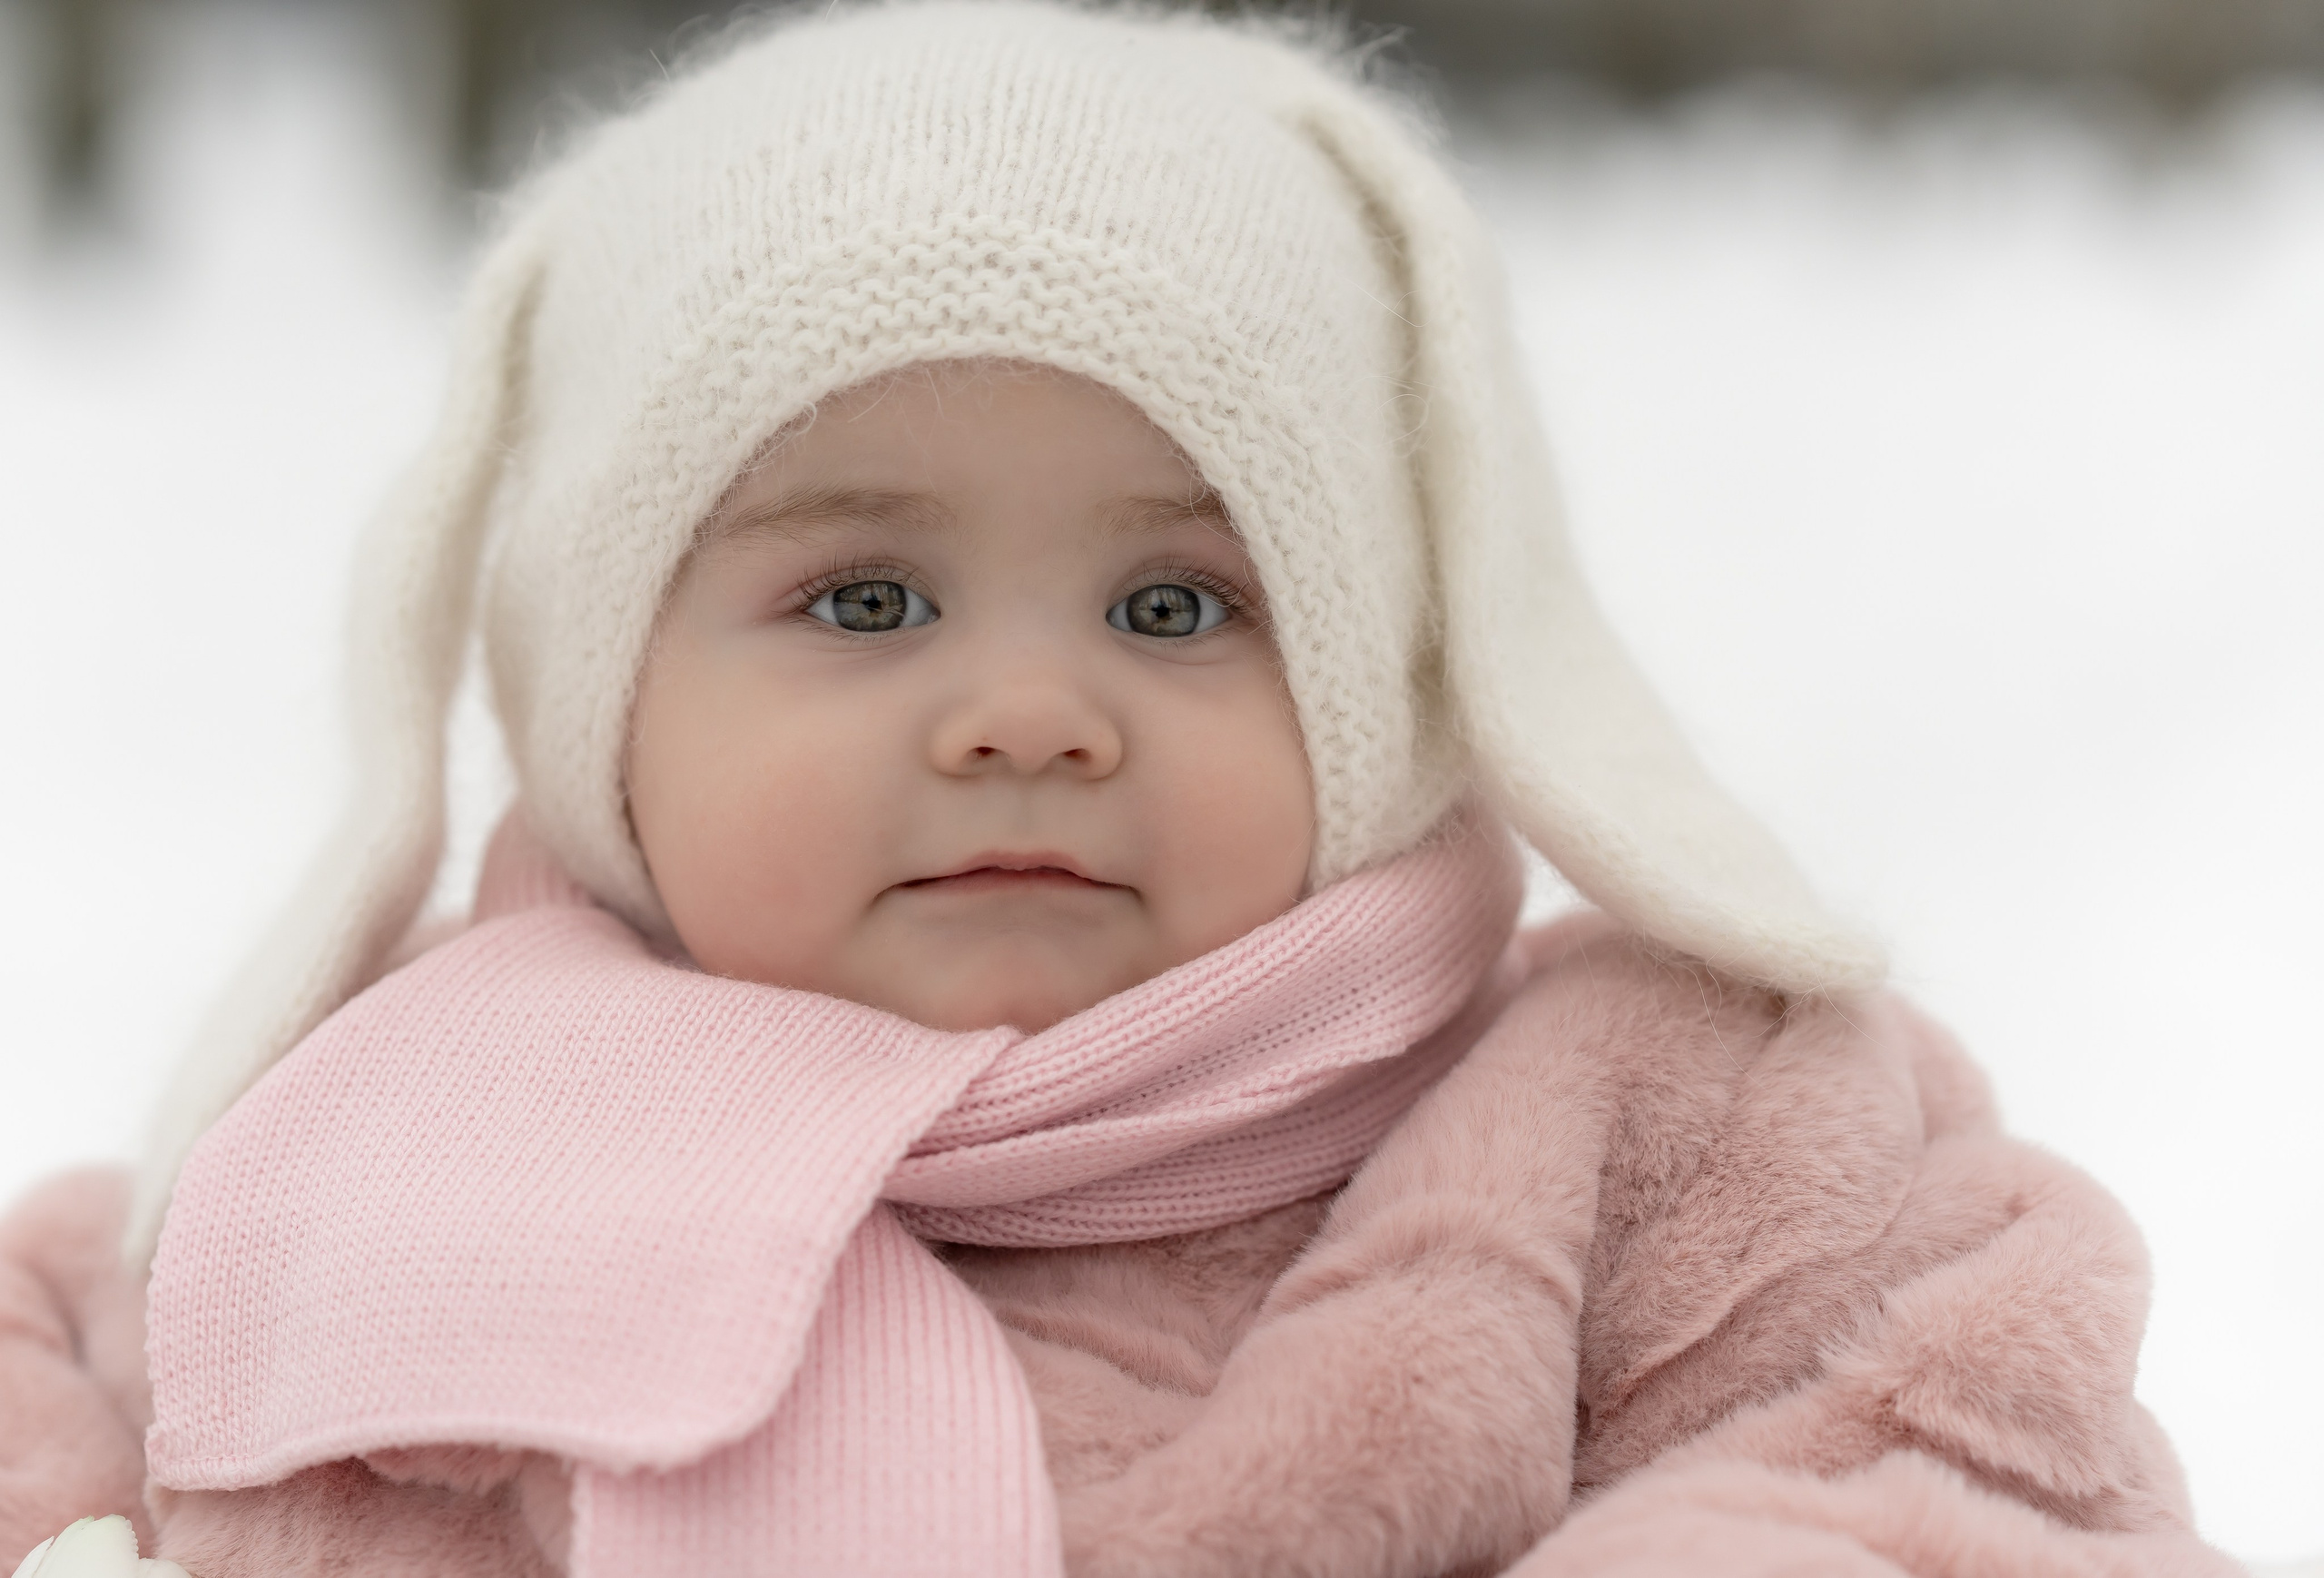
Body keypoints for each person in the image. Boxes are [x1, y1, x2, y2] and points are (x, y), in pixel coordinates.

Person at [0, 5, 2237, 1574]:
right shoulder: (375, 1150)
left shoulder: (1674, 1122)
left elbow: (1965, 1469)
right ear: (605, 698)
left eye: (1175, 611)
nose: (1024, 714)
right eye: (864, 598)